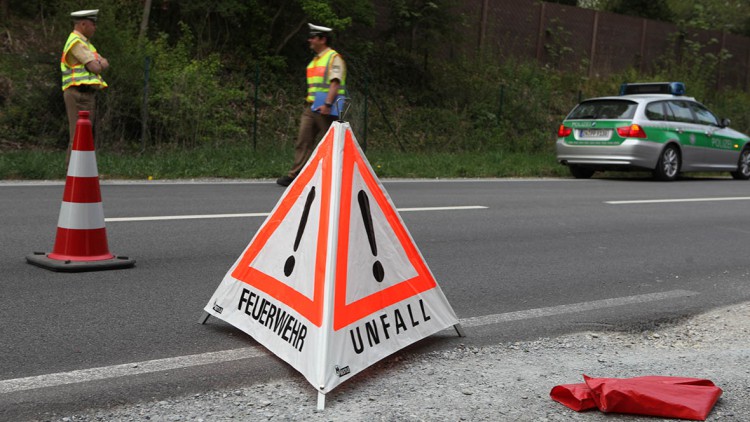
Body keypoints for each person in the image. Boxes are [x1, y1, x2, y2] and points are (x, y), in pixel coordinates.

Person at [277, 23, 347, 187]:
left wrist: (328, 104)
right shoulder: (316, 60)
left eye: (313, 37)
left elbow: (335, 83)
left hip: (326, 108)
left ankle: (335, 175)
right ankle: (296, 175)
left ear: (322, 39)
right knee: (303, 140)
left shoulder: (334, 58)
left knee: (330, 143)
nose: (310, 40)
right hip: (312, 106)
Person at [61, 9, 109, 164]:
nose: (95, 27)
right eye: (93, 24)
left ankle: (84, 172)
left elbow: (102, 63)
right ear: (83, 24)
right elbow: (96, 67)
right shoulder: (75, 42)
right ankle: (72, 173)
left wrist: (99, 63)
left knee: (86, 136)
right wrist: (99, 63)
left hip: (87, 94)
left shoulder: (86, 44)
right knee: (77, 136)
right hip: (76, 94)